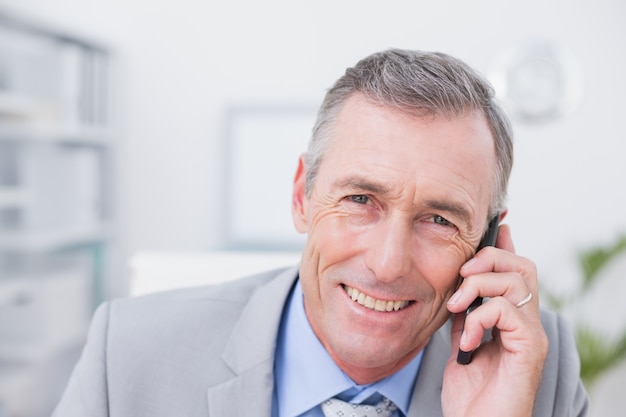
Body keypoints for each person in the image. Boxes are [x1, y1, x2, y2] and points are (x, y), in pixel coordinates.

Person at [52, 49, 589, 417]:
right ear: (300, 197)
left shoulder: (540, 371)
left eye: (439, 220)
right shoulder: (126, 354)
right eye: (361, 200)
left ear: (487, 243)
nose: (387, 263)